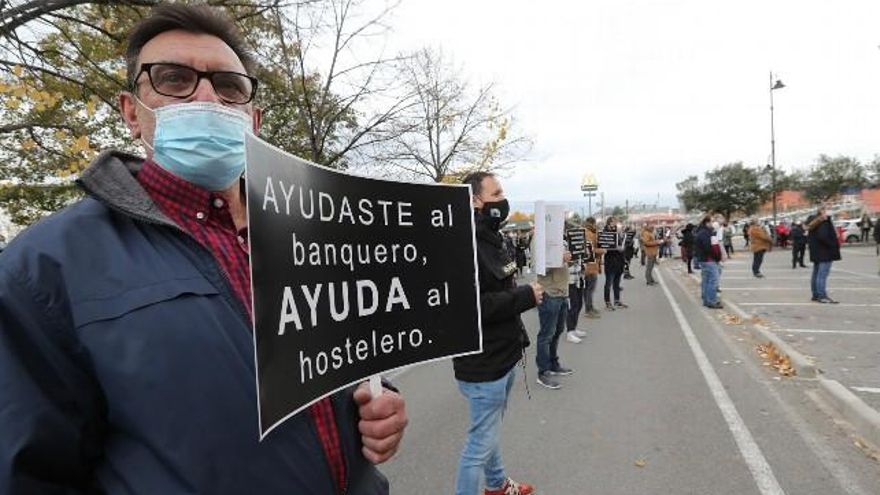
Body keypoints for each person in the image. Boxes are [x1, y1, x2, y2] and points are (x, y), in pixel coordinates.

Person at [0, 5, 406, 494]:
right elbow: (30, 473)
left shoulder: (311, 234)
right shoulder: (44, 268)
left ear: (251, 119)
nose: (208, 97)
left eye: (229, 86)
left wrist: (373, 402)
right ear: (132, 111)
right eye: (174, 78)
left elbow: (346, 357)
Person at [456, 172, 539, 495]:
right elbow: (473, 306)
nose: (504, 199)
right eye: (497, 192)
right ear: (476, 200)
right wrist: (526, 296)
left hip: (504, 355)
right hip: (483, 364)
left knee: (488, 433)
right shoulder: (464, 242)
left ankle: (497, 485)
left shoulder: (491, 236)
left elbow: (500, 285)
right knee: (478, 444)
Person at [534, 233, 574, 390]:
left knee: (557, 331)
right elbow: (539, 267)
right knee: (546, 334)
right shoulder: (538, 239)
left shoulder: (559, 238)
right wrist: (560, 259)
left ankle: (553, 363)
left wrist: (568, 258)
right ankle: (543, 371)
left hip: (562, 292)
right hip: (549, 292)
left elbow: (563, 264)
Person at [805, 206, 841, 304]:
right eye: (827, 209)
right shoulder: (824, 222)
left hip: (816, 252)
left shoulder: (812, 222)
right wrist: (833, 244)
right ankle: (822, 296)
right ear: (822, 211)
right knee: (822, 275)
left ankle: (816, 294)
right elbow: (823, 236)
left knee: (816, 274)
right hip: (825, 252)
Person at [565, 227, 588, 344]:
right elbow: (565, 263)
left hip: (579, 277)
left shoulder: (579, 243)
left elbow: (584, 257)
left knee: (579, 304)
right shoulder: (564, 244)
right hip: (570, 279)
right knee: (573, 305)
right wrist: (571, 258)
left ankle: (574, 328)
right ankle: (569, 331)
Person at [694, 216, 723, 309]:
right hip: (708, 260)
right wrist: (716, 257)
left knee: (706, 280)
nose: (713, 224)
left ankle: (706, 299)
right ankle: (711, 300)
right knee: (713, 280)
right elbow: (708, 248)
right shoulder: (705, 233)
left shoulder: (702, 232)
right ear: (707, 223)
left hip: (704, 259)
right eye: (711, 222)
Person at [602, 218, 627, 310]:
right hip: (610, 261)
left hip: (619, 261)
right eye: (614, 222)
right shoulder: (605, 233)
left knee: (617, 283)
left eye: (616, 223)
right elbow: (604, 247)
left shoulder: (619, 232)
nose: (616, 224)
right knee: (608, 283)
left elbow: (623, 244)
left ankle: (617, 301)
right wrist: (616, 248)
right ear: (609, 223)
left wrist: (622, 247)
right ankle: (607, 302)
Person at [582, 217, 603, 319]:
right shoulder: (588, 233)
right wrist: (601, 250)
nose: (596, 226)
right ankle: (588, 310)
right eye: (595, 224)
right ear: (592, 223)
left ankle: (590, 307)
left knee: (590, 289)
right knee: (589, 289)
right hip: (590, 265)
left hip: (592, 265)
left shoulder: (591, 232)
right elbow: (590, 249)